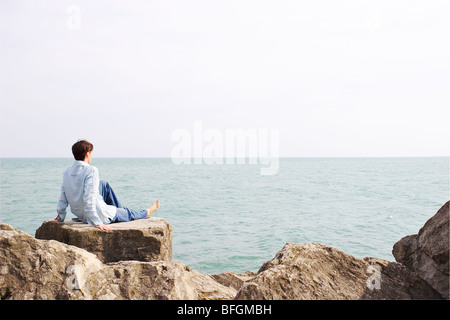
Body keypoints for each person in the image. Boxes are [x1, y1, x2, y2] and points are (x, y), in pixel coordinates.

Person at [48, 140, 160, 231]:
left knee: (103, 184)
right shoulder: (91, 170)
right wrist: (96, 222)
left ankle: (118, 211)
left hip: (80, 213)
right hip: (97, 214)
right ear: (87, 154)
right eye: (91, 154)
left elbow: (63, 197)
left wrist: (60, 216)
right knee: (128, 213)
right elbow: (89, 199)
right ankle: (146, 212)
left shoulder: (67, 171)